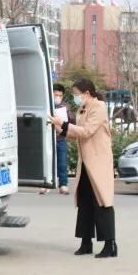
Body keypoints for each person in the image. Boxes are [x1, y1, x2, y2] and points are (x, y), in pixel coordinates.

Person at [49, 79, 116, 258]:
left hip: (98, 161)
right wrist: (60, 128)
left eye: (77, 94)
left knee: (102, 201)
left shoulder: (98, 107)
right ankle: (86, 242)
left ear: (87, 93)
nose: (75, 97)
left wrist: (64, 124)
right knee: (84, 202)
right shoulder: (82, 108)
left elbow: (87, 131)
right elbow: (77, 135)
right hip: (85, 162)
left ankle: (110, 244)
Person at [43, 84, 73, 196]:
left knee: (62, 162)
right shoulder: (46, 105)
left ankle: (63, 185)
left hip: (60, 138)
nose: (57, 97)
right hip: (47, 137)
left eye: (60, 95)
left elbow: (71, 120)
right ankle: (46, 184)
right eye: (55, 95)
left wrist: (66, 116)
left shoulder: (66, 107)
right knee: (47, 161)